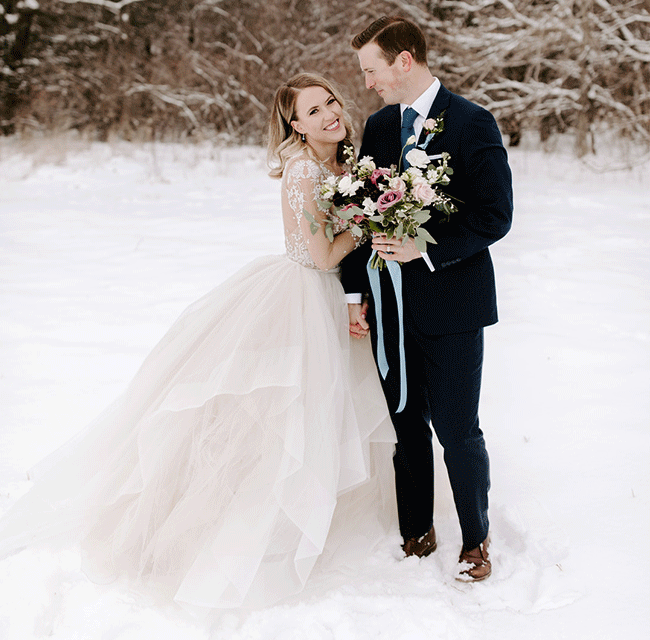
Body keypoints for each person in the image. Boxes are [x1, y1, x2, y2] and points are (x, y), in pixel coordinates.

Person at [0, 73, 396, 612]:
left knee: (328, 414)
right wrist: (370, 219)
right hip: (295, 298)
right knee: (276, 419)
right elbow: (322, 255)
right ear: (296, 127)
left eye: (330, 101)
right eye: (313, 110)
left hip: (331, 302)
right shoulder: (303, 171)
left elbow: (343, 261)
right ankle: (228, 531)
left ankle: (325, 516)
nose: (330, 113)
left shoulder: (347, 163)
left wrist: (358, 276)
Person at [341, 16, 513, 582]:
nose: (368, 83)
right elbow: (366, 218)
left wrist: (426, 249)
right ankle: (415, 531)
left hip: (455, 305)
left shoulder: (471, 123)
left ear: (404, 60)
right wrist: (357, 294)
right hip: (391, 308)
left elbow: (495, 216)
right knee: (405, 425)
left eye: (372, 70)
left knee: (458, 429)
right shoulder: (379, 127)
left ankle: (476, 539)